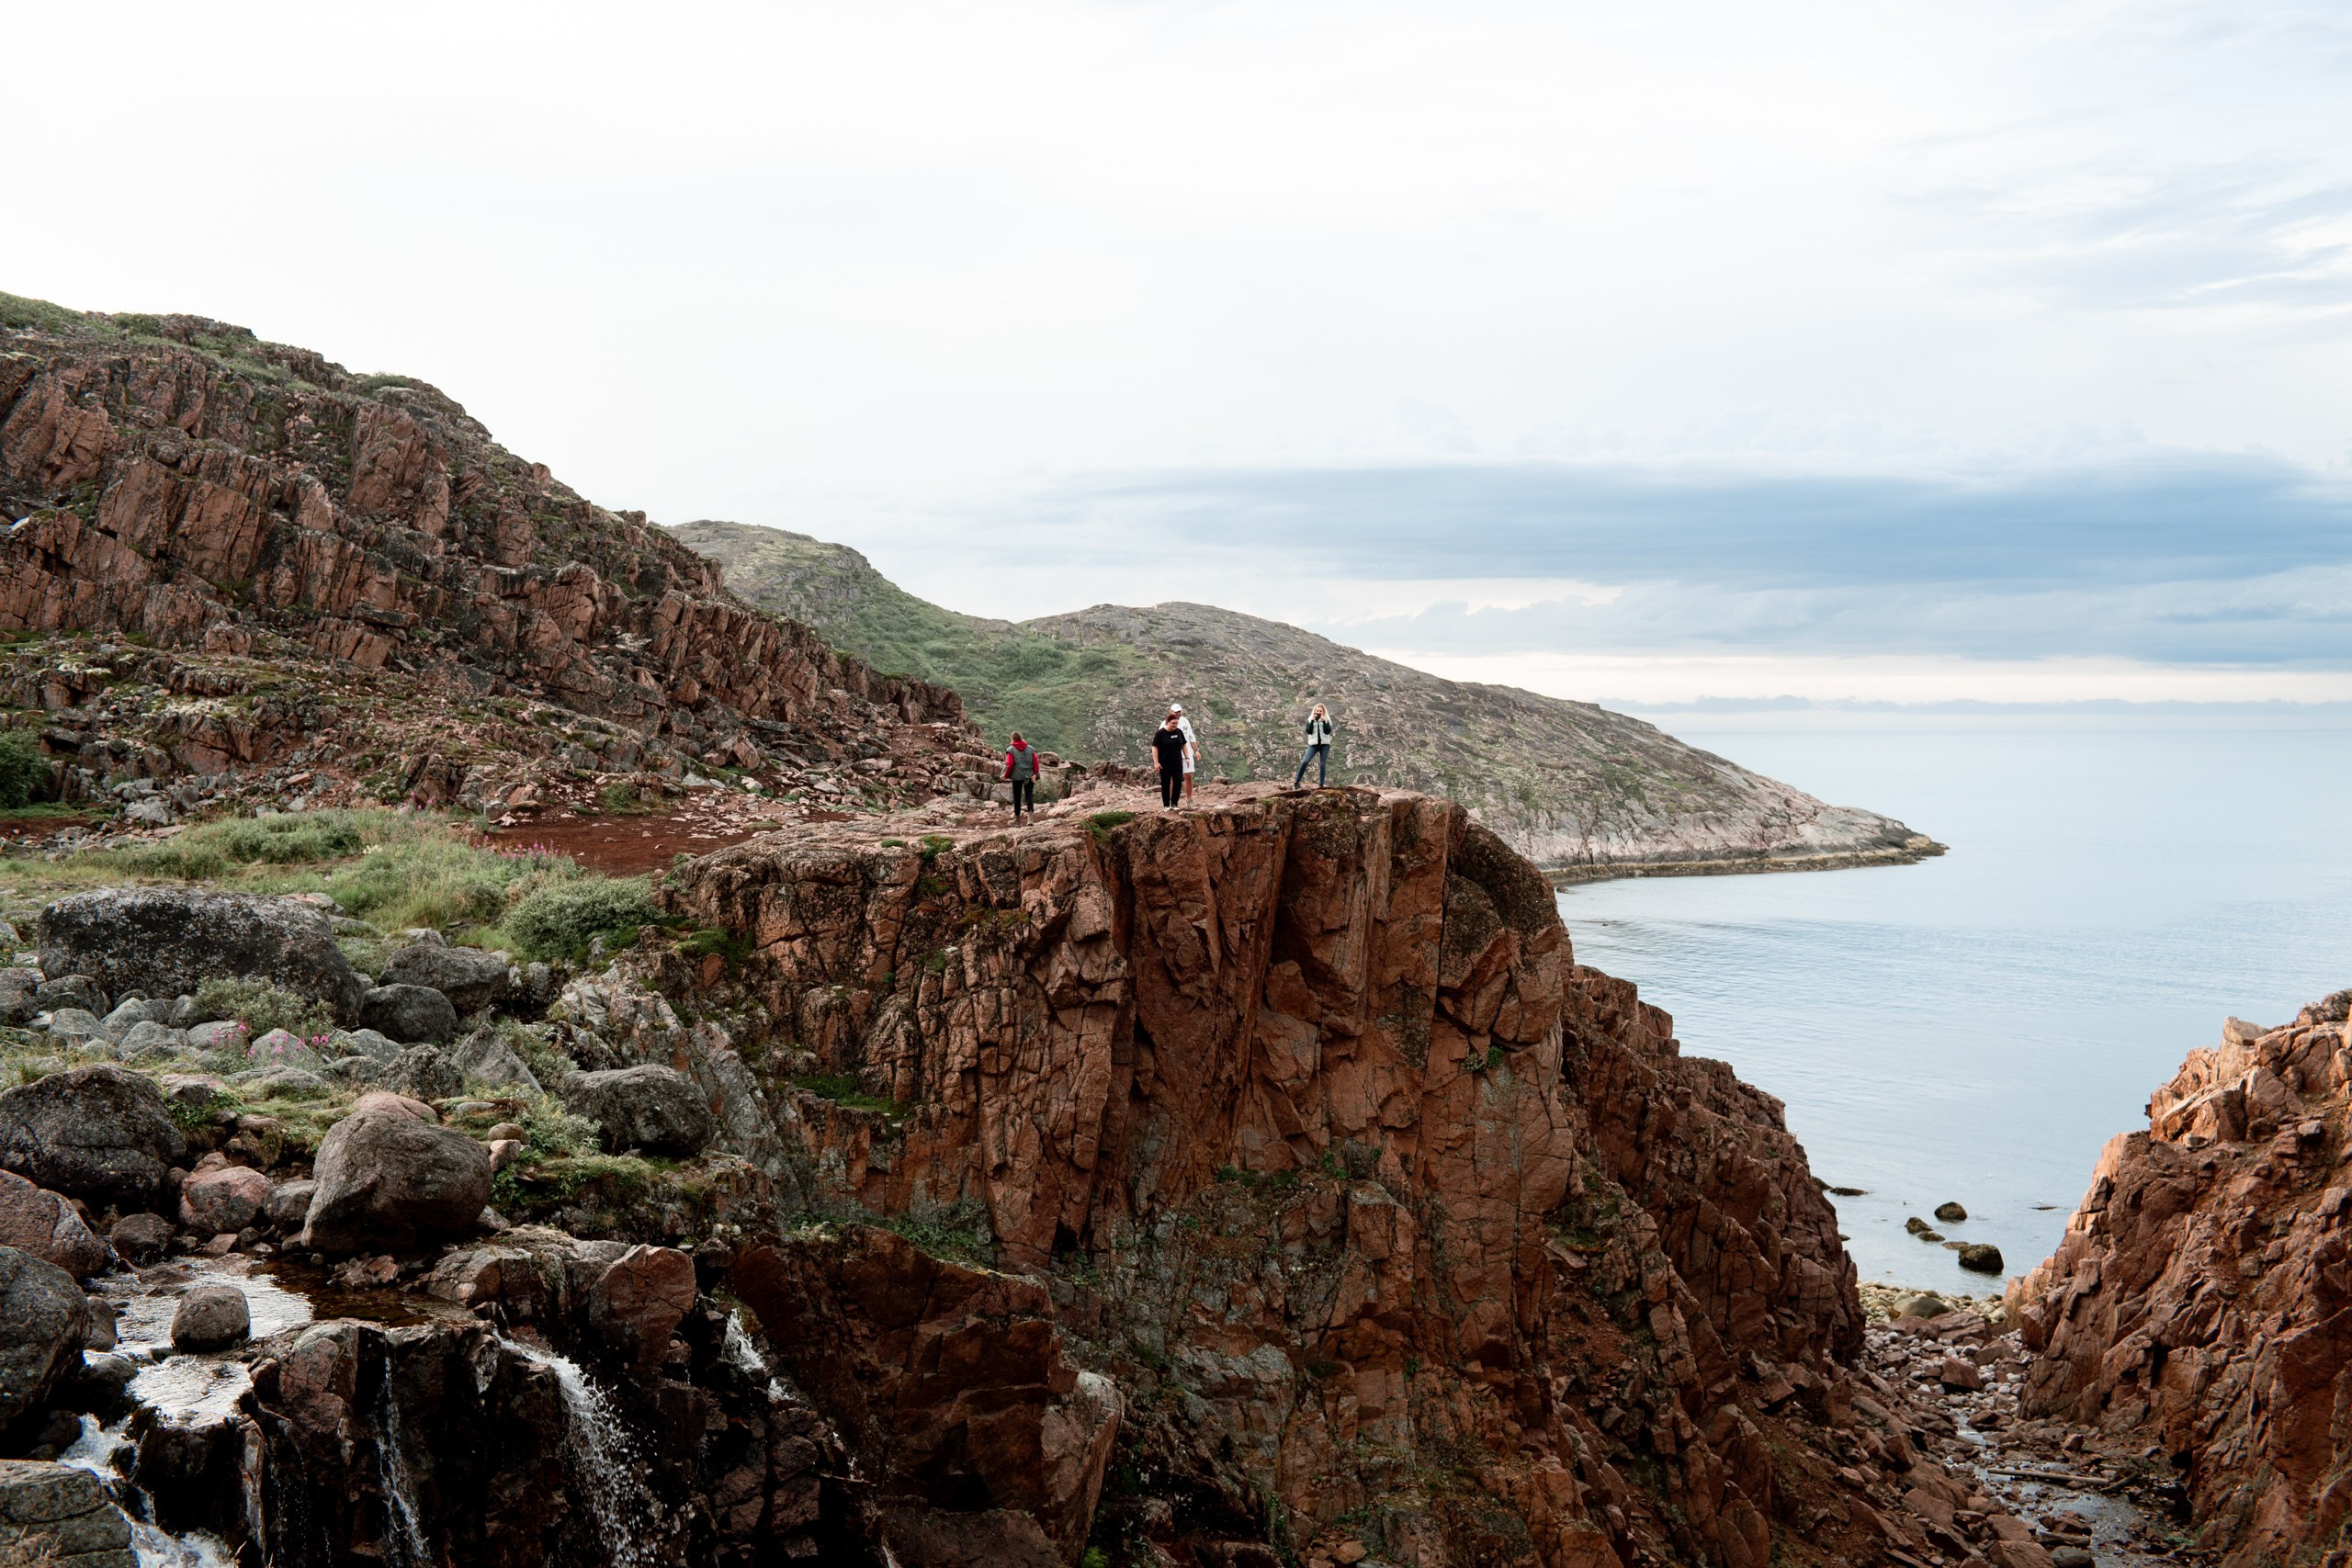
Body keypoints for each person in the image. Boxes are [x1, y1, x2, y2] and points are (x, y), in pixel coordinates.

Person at [1150, 714, 1188, 808]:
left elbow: (1184, 745)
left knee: (1178, 782)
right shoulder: (1160, 733)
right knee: (1166, 784)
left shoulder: (1179, 732)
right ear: (1167, 722)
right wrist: (1156, 762)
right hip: (1165, 763)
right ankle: (1166, 805)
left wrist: (1187, 757)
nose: (1175, 725)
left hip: (1177, 762)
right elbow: (1155, 748)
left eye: (1176, 723)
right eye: (1173, 723)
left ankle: (1175, 803)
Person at [1294, 703, 1333, 787]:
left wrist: (1323, 721)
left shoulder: (1327, 719)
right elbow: (1308, 731)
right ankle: (1297, 782)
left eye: (1320, 711)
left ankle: (1321, 785)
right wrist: (1311, 721)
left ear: (1323, 712)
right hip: (1313, 745)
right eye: (1317, 711)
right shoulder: (1310, 719)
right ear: (1314, 711)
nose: (1318, 712)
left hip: (1324, 745)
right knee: (1305, 761)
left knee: (1322, 764)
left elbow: (1327, 731)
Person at [1002, 731, 1038, 819]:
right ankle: (1030, 820)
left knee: (1017, 797)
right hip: (1029, 776)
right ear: (1021, 738)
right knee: (1029, 796)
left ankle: (1017, 820)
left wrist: (1006, 775)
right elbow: (1036, 762)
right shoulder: (1030, 749)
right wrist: (1035, 774)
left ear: (1012, 739)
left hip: (1017, 776)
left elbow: (1010, 764)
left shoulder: (1011, 749)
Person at [1169, 704, 1200, 799]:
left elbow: (1191, 736)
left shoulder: (1185, 721)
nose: (1178, 713)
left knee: (1188, 775)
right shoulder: (1165, 723)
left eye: (1179, 711)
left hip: (1187, 754)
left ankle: (1189, 799)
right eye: (1176, 712)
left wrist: (1196, 750)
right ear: (1171, 712)